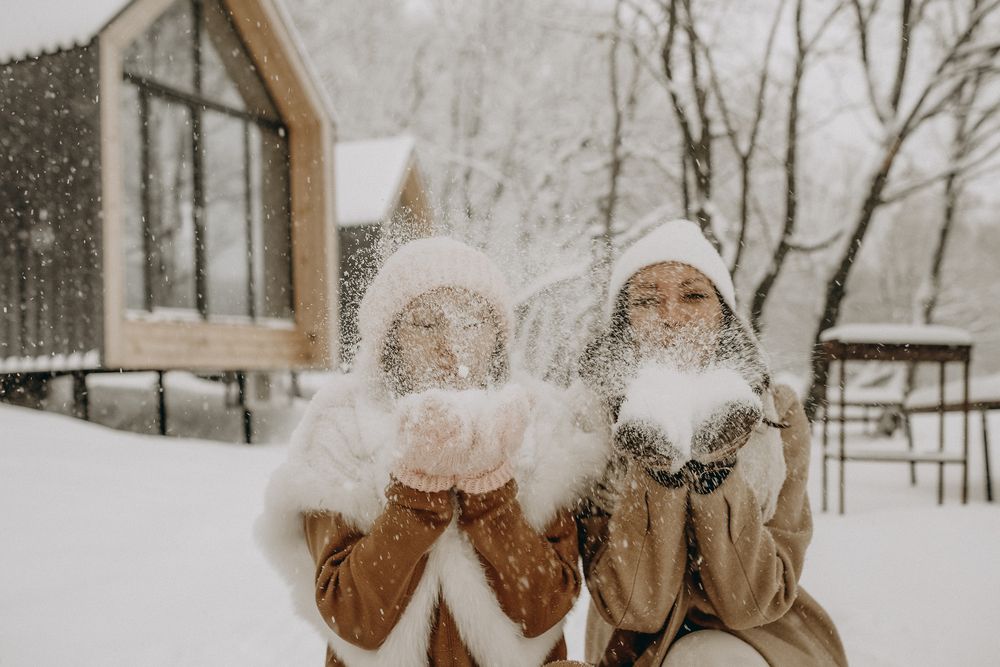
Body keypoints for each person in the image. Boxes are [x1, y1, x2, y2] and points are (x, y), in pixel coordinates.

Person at [256, 237, 606, 667]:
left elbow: (544, 609)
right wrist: (416, 496)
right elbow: (354, 616)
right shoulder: (343, 426)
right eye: (424, 324)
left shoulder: (535, 422)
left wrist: (491, 491)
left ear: (498, 336)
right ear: (390, 340)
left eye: (473, 322)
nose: (450, 345)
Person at [575, 220, 847, 666]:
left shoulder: (777, 414)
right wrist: (659, 472)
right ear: (623, 323)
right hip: (634, 645)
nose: (671, 314)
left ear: (724, 314)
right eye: (647, 300)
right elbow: (635, 607)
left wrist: (714, 472)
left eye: (694, 295)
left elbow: (753, 602)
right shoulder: (588, 422)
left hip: (762, 637)